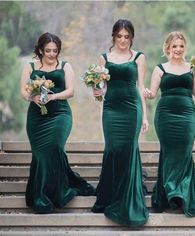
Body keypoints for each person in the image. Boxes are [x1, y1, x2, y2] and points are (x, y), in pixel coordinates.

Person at [20, 32, 95, 213]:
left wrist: (52, 97)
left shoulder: (65, 66)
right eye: (48, 50)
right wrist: (33, 97)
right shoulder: (30, 67)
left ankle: (57, 192)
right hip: (37, 117)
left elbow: (70, 92)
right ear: (40, 50)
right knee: (40, 155)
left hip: (60, 115)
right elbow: (23, 92)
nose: (52, 54)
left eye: (55, 50)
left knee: (53, 147)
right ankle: (40, 195)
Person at [144, 31, 195, 217]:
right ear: (168, 48)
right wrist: (147, 93)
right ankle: (171, 193)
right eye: (174, 46)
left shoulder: (193, 68)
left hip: (187, 115)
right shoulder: (160, 69)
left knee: (184, 152)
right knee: (170, 153)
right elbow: (153, 93)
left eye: (181, 46)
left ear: (185, 48)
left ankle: (182, 194)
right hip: (165, 115)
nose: (178, 49)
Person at [91, 19, 149, 226]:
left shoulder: (139, 57)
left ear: (131, 38)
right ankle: (110, 196)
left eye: (127, 36)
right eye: (119, 36)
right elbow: (99, 90)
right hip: (111, 110)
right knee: (113, 149)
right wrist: (96, 91)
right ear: (113, 36)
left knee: (128, 149)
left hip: (132, 109)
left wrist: (144, 116)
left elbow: (141, 87)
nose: (123, 40)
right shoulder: (104, 58)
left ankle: (128, 200)